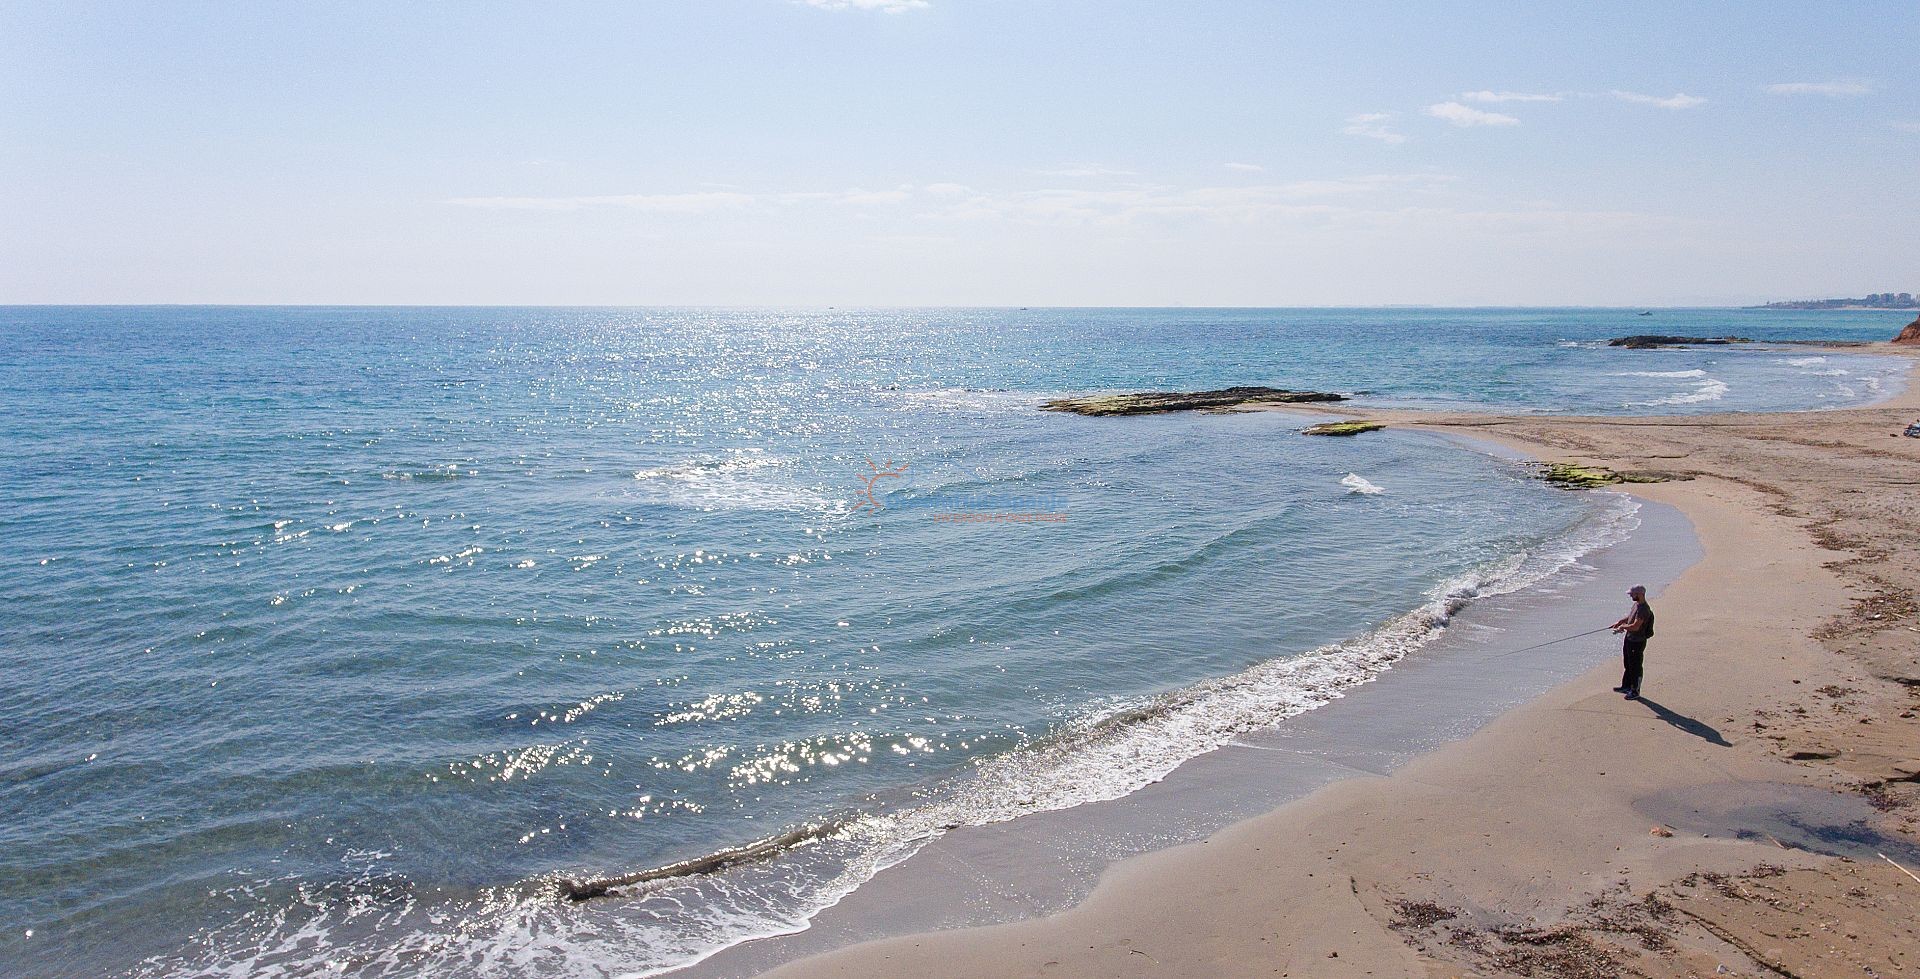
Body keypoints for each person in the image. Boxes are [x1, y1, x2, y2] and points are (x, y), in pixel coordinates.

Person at [1610, 585, 1655, 699]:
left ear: (1639, 594)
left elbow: (1635, 626)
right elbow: (1630, 618)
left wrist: (1623, 627)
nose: (1630, 596)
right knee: (1628, 663)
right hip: (1629, 639)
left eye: (1632, 594)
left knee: (1635, 666)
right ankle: (1626, 686)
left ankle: (1635, 691)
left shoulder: (1644, 609)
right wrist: (1620, 622)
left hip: (1637, 641)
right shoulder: (1636, 605)